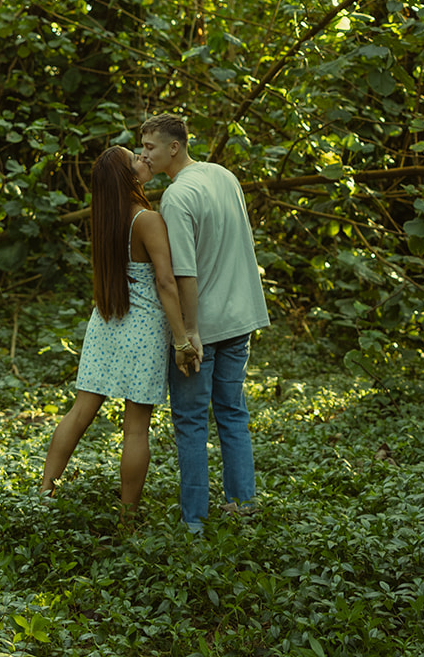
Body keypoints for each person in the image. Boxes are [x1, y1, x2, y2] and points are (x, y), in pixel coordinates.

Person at [39, 146, 200, 514]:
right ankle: (127, 516)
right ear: (125, 177)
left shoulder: (106, 218)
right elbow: (165, 281)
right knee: (136, 428)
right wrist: (180, 338)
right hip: (142, 329)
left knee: (80, 412)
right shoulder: (146, 219)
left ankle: (43, 494)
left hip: (106, 321)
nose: (143, 160)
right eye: (135, 161)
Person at [139, 113, 270, 533]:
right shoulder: (224, 176)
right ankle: (243, 505)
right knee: (233, 412)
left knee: (191, 421)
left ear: (173, 147)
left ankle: (194, 521)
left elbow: (184, 274)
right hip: (241, 317)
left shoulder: (176, 197)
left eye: (149, 148)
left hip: (205, 328)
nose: (144, 156)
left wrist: (188, 333)